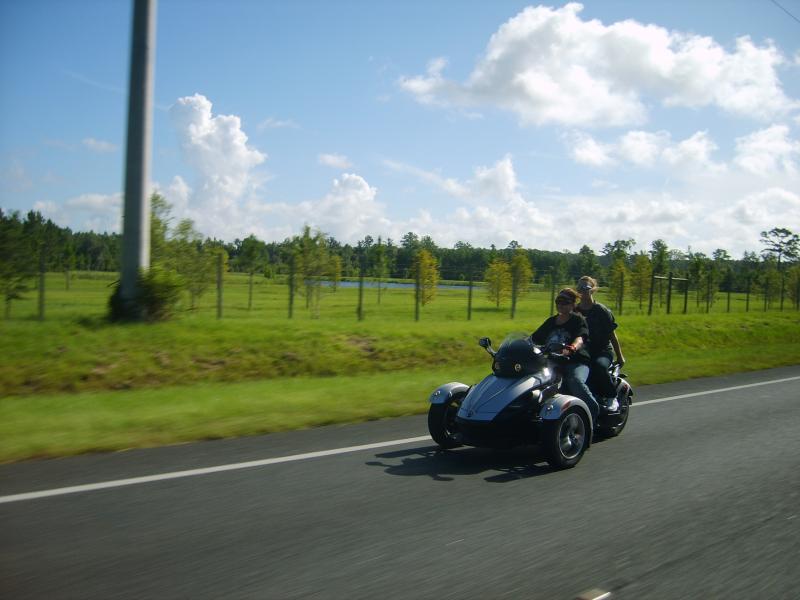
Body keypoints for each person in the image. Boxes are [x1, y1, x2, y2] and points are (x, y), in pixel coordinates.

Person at [530, 287, 600, 428]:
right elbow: (534, 338)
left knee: (574, 380)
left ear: (573, 304)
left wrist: (573, 347)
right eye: (558, 301)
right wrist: (519, 345)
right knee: (535, 381)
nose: (560, 305)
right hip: (552, 360)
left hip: (576, 361)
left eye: (565, 302)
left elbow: (581, 337)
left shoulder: (578, 320)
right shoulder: (551, 322)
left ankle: (592, 412)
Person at [574, 275, 625, 411]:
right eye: (580, 288)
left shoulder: (601, 310)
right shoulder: (575, 311)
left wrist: (620, 356)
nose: (583, 290)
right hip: (583, 352)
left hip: (602, 351)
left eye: (586, 287)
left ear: (593, 290)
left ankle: (611, 396)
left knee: (598, 366)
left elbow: (612, 335)